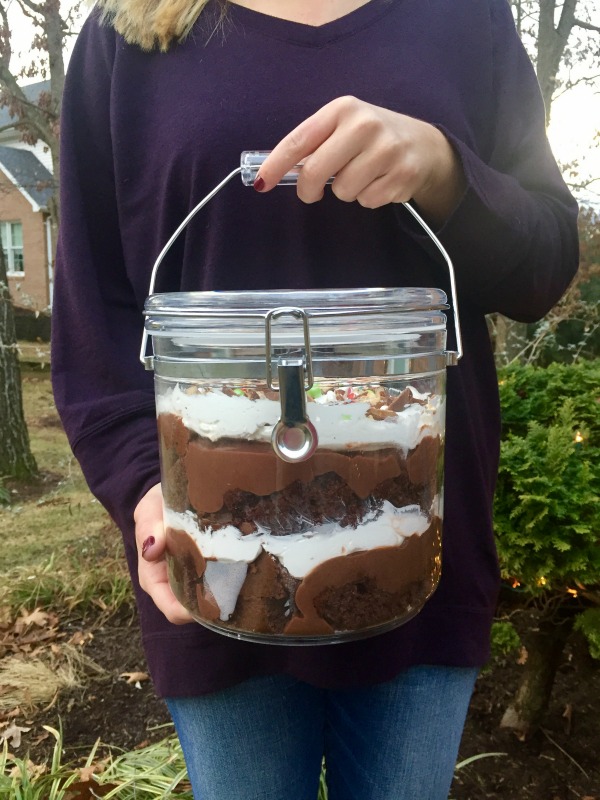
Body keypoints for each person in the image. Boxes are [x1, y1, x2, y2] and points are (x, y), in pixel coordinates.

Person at [51, 0, 579, 797]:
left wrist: (443, 169)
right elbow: (94, 319)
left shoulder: (465, 17)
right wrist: (143, 485)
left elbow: (546, 266)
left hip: (418, 537)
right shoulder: (127, 29)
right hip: (212, 554)